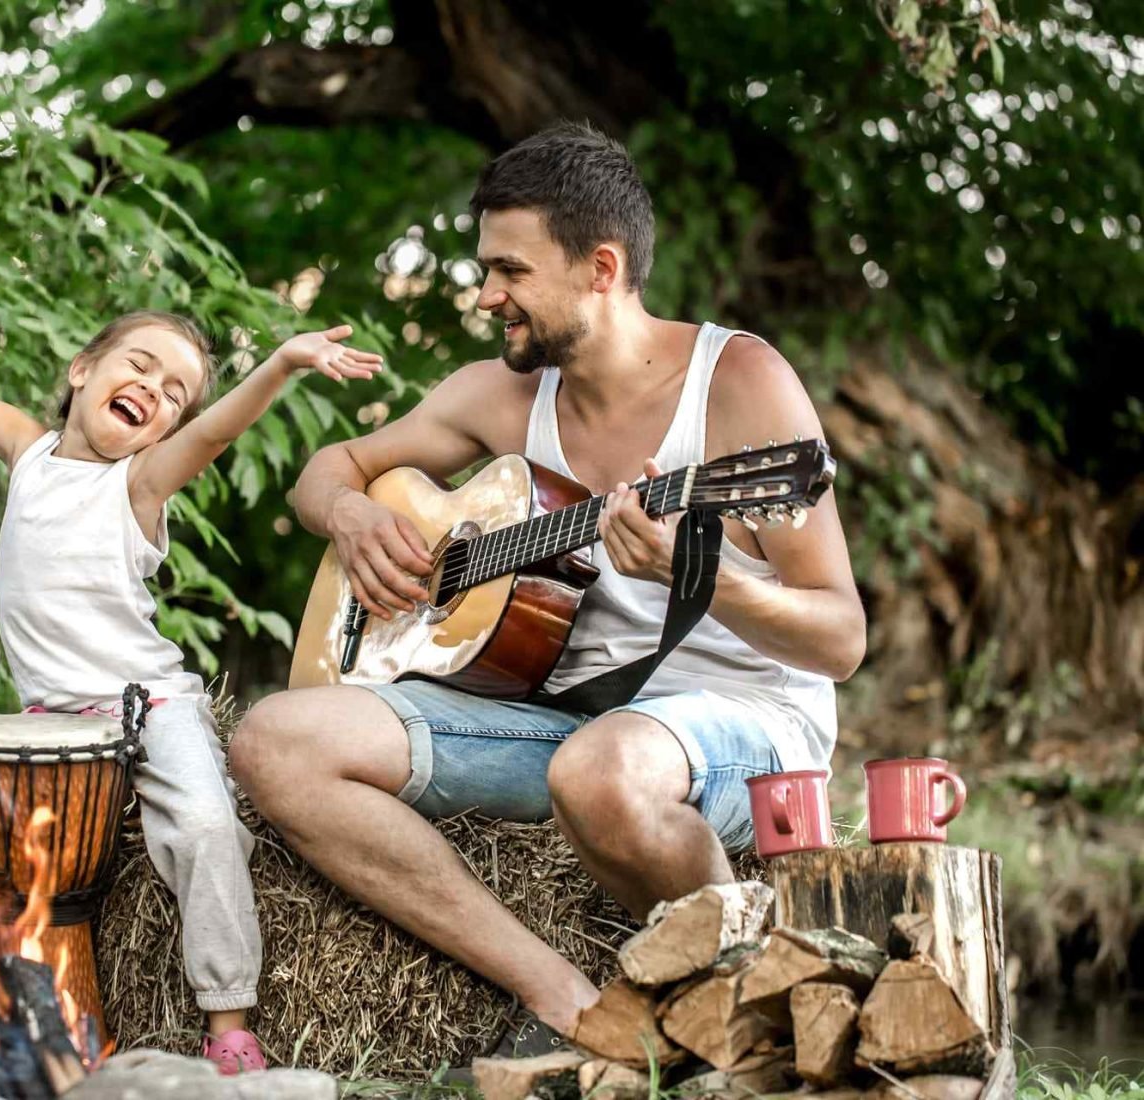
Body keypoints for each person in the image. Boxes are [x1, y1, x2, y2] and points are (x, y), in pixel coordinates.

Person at [228, 121, 866, 1059]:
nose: (487, 295)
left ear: (600, 268)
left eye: (510, 271)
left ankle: (751, 1005)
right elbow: (333, 467)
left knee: (601, 771)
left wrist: (703, 576)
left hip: (740, 721)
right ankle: (565, 998)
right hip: (563, 716)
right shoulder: (499, 395)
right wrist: (352, 518)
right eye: (487, 268)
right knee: (273, 741)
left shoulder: (738, 385)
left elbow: (840, 639)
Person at [0, 216, 383, 1073]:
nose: (155, 391)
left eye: (174, 392)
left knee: (205, 825)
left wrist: (278, 364)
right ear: (82, 369)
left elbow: (216, 432)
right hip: (49, 723)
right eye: (140, 364)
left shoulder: (142, 483)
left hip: (146, 707)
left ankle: (228, 1022)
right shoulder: (27, 453)